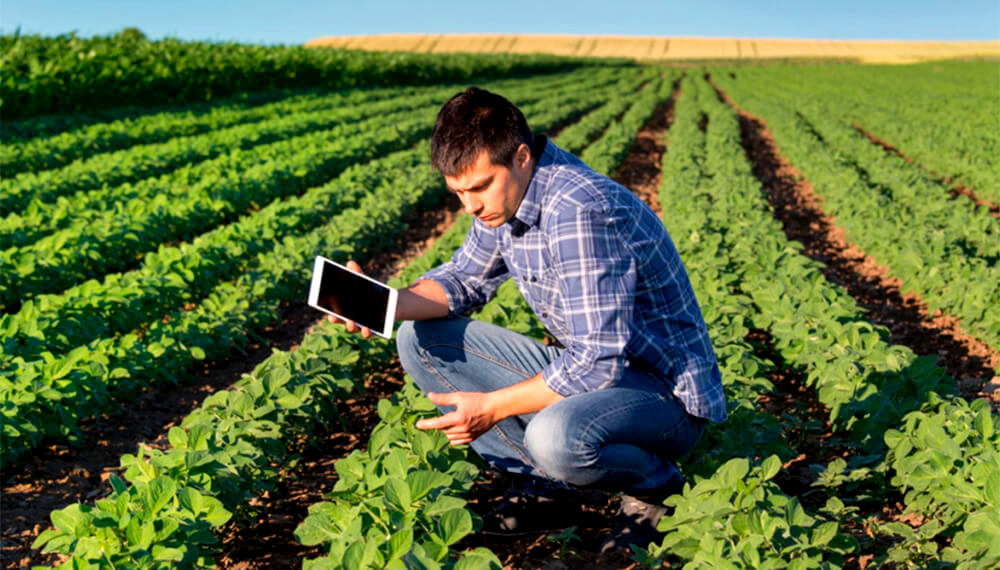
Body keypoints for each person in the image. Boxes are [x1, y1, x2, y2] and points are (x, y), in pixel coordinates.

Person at [327, 86, 726, 552]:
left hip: (663, 397)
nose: (470, 206)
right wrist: (383, 302)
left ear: (520, 157)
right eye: (458, 192)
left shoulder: (579, 211)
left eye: (478, 188)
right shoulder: (507, 199)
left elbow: (597, 363)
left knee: (554, 436)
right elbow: (462, 280)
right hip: (602, 376)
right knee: (419, 339)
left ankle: (655, 490)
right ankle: (549, 489)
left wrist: (492, 407)